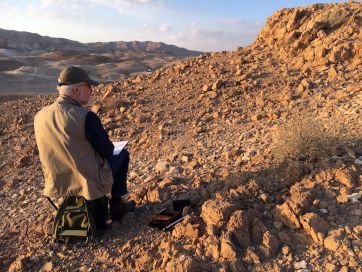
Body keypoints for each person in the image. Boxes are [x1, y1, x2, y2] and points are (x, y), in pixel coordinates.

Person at [34, 66, 133, 229]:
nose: (92, 91)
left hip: (58, 181)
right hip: (86, 179)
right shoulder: (85, 117)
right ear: (77, 90)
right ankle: (117, 206)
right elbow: (107, 151)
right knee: (122, 155)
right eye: (89, 87)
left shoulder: (40, 116)